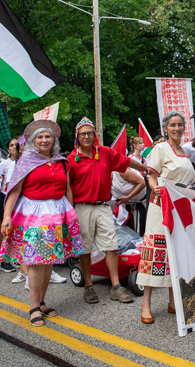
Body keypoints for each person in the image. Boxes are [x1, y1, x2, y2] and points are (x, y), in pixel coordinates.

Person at [0, 120, 84, 326]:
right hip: (34, 213)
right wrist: (6, 216)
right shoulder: (26, 161)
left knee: (50, 260)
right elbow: (14, 191)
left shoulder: (62, 161)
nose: (44, 140)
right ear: (33, 141)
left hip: (58, 212)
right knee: (37, 261)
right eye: (40, 137)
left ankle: (43, 302)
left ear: (54, 140)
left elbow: (68, 189)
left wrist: (70, 214)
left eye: (48, 137)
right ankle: (34, 306)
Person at [67, 117, 147, 304]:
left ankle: (116, 287)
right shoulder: (71, 160)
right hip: (81, 208)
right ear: (77, 137)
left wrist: (146, 168)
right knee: (85, 249)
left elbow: (126, 162)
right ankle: (88, 287)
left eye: (90, 133)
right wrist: (70, 214)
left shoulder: (104, 153)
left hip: (103, 206)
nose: (87, 136)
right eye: (83, 134)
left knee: (111, 246)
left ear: (95, 135)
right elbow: (67, 189)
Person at [137, 111, 195, 324]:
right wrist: (158, 191)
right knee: (156, 253)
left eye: (180, 125)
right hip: (161, 207)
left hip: (179, 208)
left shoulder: (184, 151)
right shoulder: (160, 148)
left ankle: (173, 300)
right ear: (166, 128)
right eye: (173, 125)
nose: (177, 128)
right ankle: (146, 304)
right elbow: (150, 176)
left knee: (176, 253)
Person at [0, 138, 21, 273]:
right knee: (3, 228)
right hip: (5, 197)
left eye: (16, 145)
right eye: (12, 145)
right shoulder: (4, 163)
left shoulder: (24, 163)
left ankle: (14, 256)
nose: (14, 147)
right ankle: (4, 260)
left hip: (19, 198)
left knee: (16, 228)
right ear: (8, 149)